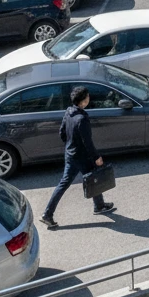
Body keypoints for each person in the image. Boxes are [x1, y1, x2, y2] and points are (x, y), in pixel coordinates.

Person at [41, 86, 116, 230]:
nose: (89, 98)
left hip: (70, 155)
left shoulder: (69, 112)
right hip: (82, 157)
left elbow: (62, 133)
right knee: (94, 177)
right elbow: (87, 142)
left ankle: (48, 214)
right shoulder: (82, 119)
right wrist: (96, 157)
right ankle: (98, 206)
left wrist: (71, 145)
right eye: (87, 96)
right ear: (83, 101)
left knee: (64, 184)